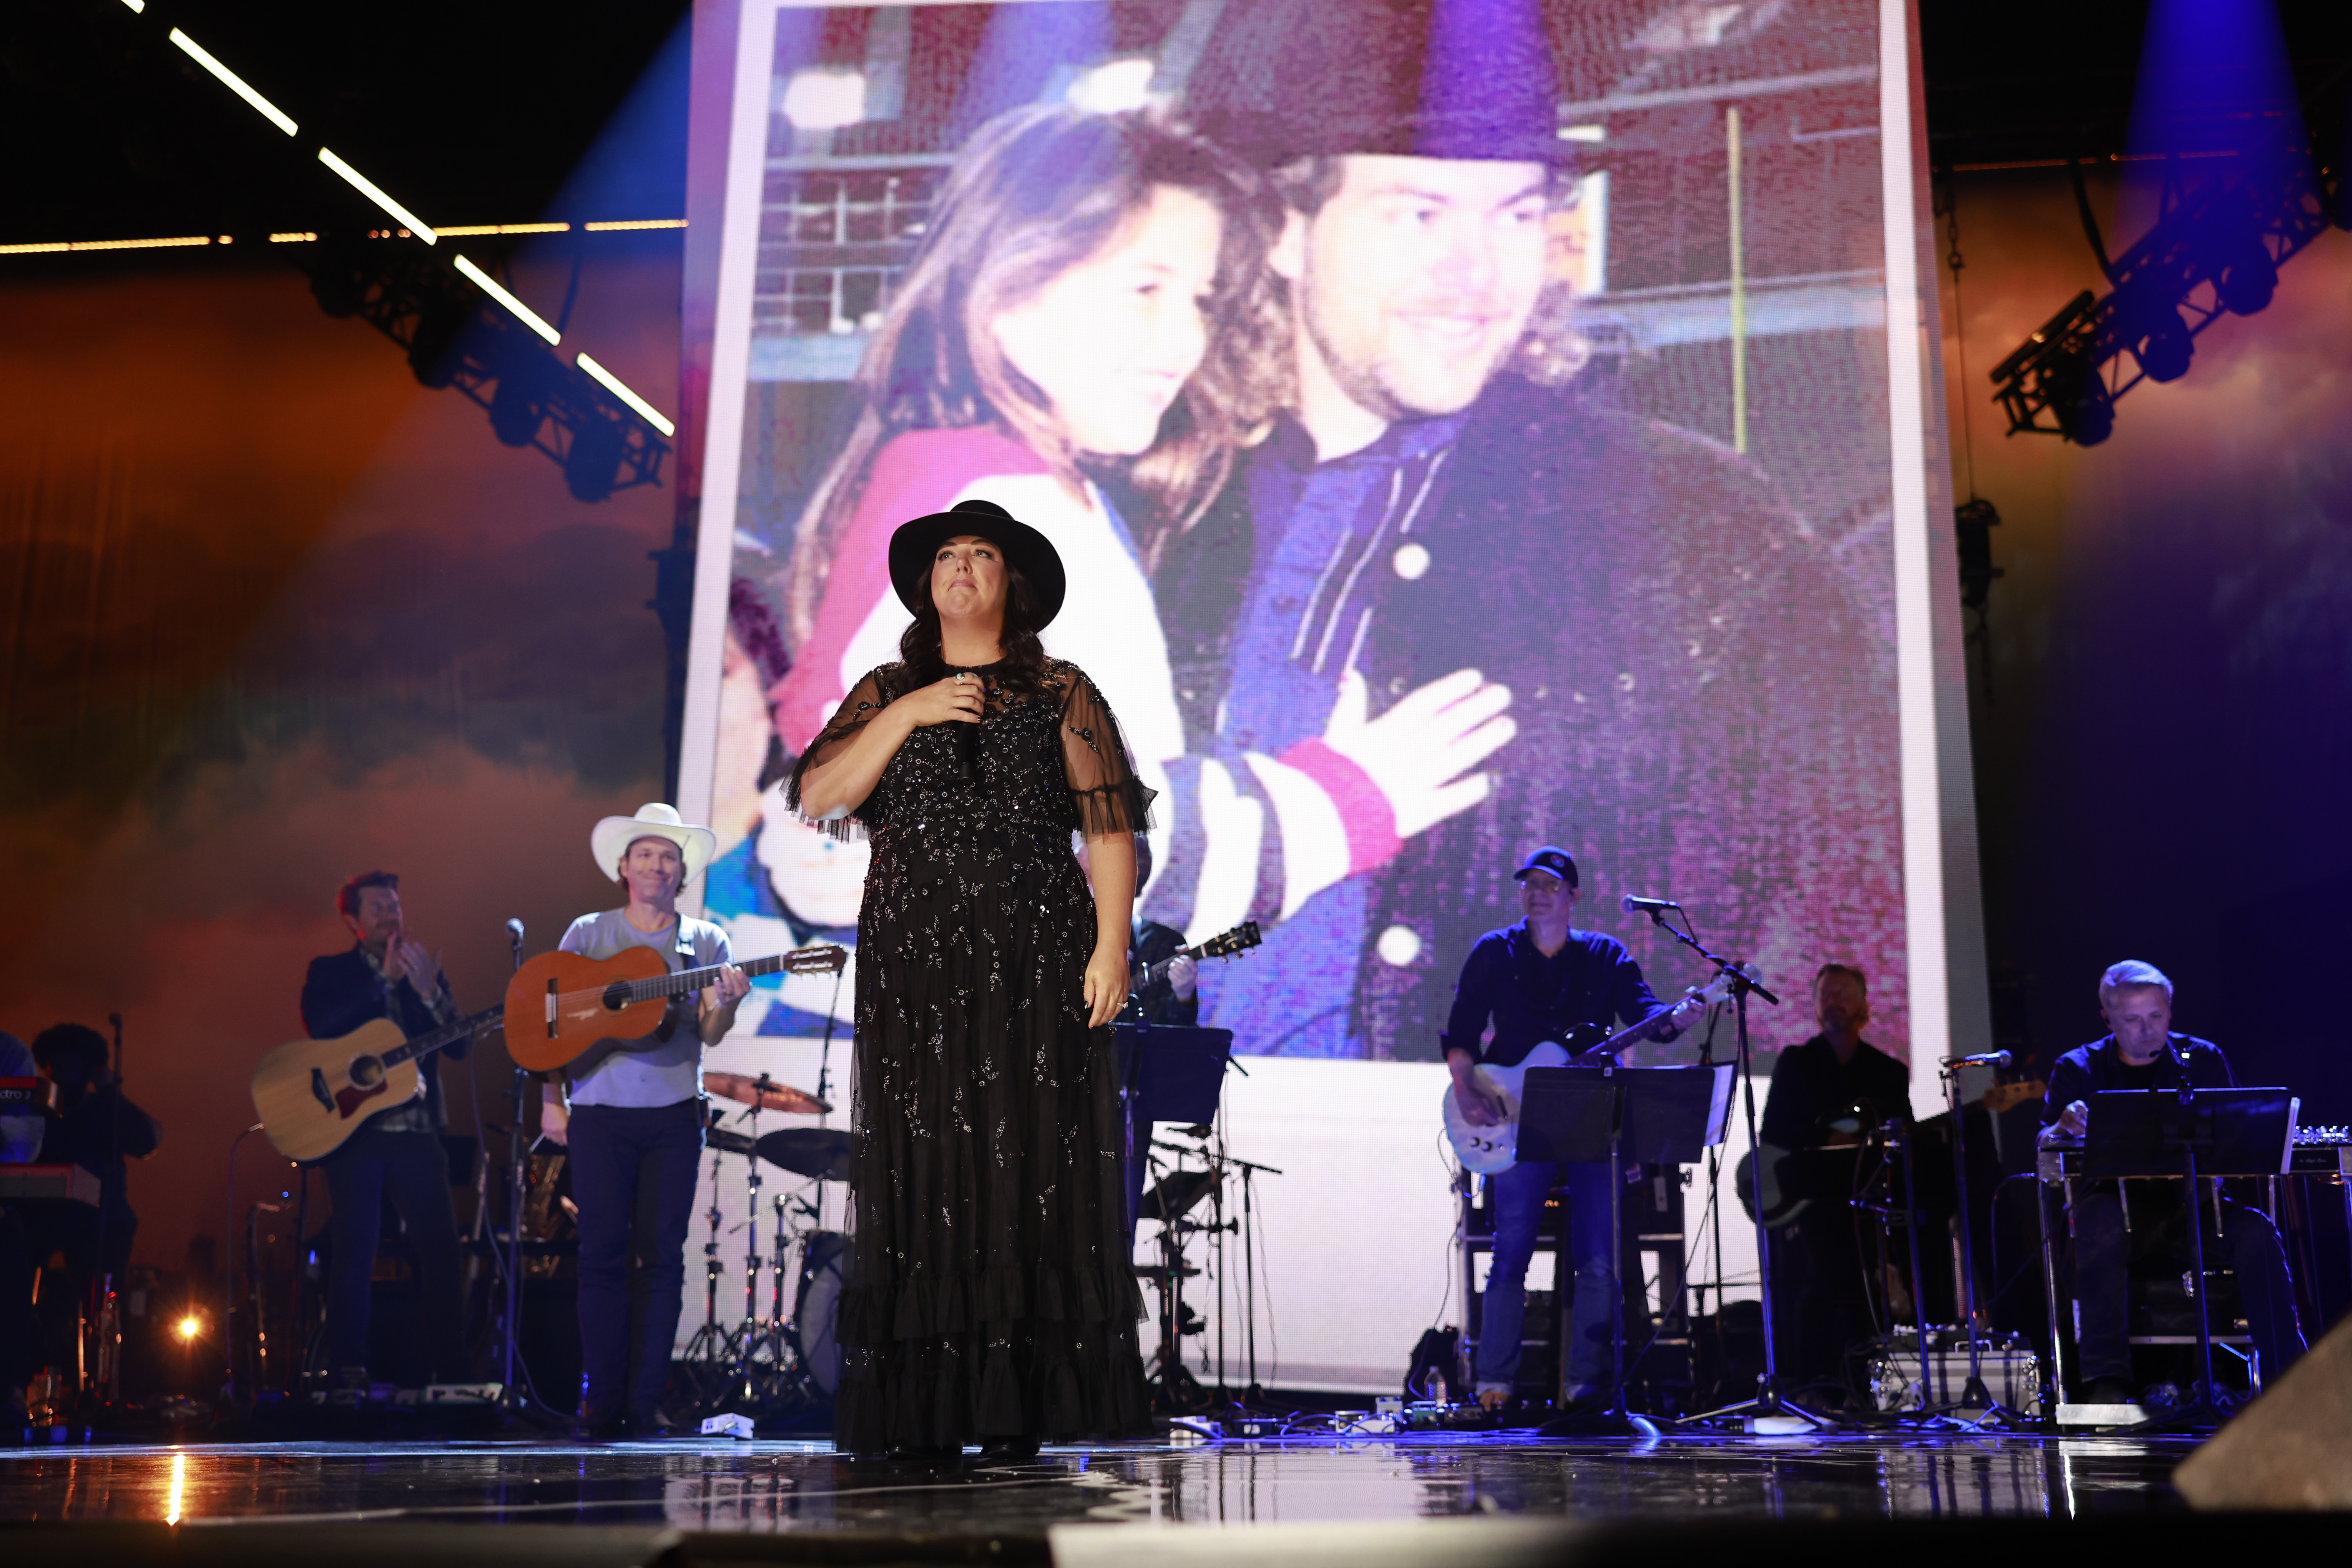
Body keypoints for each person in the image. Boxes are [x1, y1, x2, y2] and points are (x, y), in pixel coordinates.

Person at [1151, 0, 1899, 1058]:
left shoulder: (1692, 525)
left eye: (1514, 215)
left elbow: (1858, 906)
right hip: (1168, 1181)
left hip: (1524, 1186)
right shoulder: (1159, 518)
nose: (1480, 274)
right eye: (1419, 215)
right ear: (1282, 229)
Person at [761, 104, 1510, 973]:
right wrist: (1340, 803)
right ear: (1007, 295)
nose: (1185, 339)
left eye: (1195, 300)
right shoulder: (1000, 516)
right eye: (1143, 289)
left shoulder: (960, 478)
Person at [790, 498, 1154, 1462]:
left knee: (1026, 1168)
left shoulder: (1060, 691)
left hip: (1036, 958)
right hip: (917, 965)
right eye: (945, 555)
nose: (959, 568)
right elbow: (819, 793)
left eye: (979, 554)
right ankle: (924, 1396)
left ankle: (1015, 1396)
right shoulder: (885, 688)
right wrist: (909, 710)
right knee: (924, 1163)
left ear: (1011, 583)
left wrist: (1110, 946)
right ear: (924, 585)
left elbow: (1109, 827)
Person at [1443, 847, 1699, 1411]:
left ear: (1573, 896)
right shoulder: (1494, 951)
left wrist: (1677, 1017)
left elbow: (1646, 1017)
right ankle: (1494, 1385)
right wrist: (1466, 1087)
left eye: (1550, 884)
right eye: (1529, 883)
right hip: (1513, 1117)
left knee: (1598, 1258)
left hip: (1592, 1113)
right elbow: (1460, 1028)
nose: (1538, 892)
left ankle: (1586, 1386)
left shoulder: (1606, 955)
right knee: (1509, 1252)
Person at [551, 803, 750, 1438]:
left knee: (662, 1257)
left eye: (668, 855)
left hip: (672, 1115)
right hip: (599, 1113)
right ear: (623, 866)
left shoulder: (708, 941)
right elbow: (550, 1020)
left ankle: (645, 1401)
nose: (656, 863)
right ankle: (601, 1399)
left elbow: (711, 1036)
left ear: (681, 870)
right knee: (602, 1255)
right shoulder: (588, 931)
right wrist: (551, 1100)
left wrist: (726, 1005)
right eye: (645, 853)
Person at [2045, 960, 2306, 1404]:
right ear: (2107, 1018)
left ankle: (2291, 1380)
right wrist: (2061, 1127)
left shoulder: (2200, 1058)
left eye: (2156, 1017)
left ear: (2169, 1011)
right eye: (2131, 1020)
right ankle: (2105, 1384)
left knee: (2254, 1229)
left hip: (2198, 1208)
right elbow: (2045, 1148)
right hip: (2120, 1213)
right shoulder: (2077, 1067)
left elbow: (2239, 1132)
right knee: (2097, 1220)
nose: (2146, 1031)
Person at [300, 870, 469, 1400]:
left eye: (394, 904)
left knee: (441, 1250)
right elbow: (322, 1027)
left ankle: (450, 1373)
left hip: (419, 1133)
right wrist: (384, 984)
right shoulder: (331, 971)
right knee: (355, 1249)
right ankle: (348, 1368)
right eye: (378, 907)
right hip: (356, 1132)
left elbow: (460, 1046)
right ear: (352, 921)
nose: (390, 914)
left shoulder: (424, 968)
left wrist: (429, 993)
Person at [1759, 964, 1913, 1404]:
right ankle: (1813, 1385)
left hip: (1867, 1198)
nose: (1834, 1001)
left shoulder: (1887, 1071)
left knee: (1869, 1284)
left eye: (1843, 993)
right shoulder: (1796, 1062)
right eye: (1826, 993)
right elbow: (1774, 1131)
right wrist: (1826, 1138)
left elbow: (1904, 1136)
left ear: (1863, 1005)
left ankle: (1871, 1386)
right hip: (1810, 1198)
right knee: (1821, 1277)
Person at [28, 1022, 159, 1294]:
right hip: (43, 1215)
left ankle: (107, 1328)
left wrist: (110, 1092)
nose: (62, 1076)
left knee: (102, 1293)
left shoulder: (104, 1109)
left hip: (100, 1219)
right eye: (56, 1068)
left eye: (72, 1069)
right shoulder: (36, 1113)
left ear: (89, 1073)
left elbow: (147, 1139)